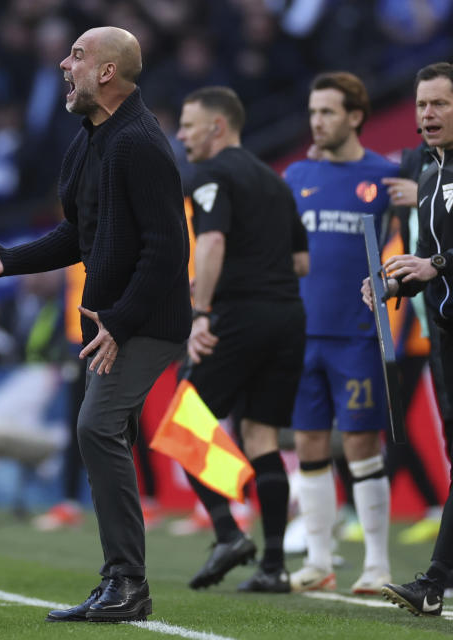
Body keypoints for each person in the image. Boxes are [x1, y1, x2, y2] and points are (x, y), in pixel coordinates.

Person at [0, 26, 191, 623]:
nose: (63, 64)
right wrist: (6, 259)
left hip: (145, 320)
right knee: (108, 433)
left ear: (107, 72)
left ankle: (128, 583)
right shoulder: (88, 142)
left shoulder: (140, 142)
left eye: (77, 56)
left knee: (96, 427)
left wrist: (122, 319)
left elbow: (168, 248)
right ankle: (121, 581)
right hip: (110, 322)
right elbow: (76, 236)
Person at [176, 86, 308, 593]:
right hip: (286, 316)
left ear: (218, 126)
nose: (182, 134)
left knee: (186, 425)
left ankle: (229, 531)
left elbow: (210, 240)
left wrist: (204, 309)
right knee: (260, 437)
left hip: (238, 317)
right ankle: (273, 566)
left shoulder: (213, 174)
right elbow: (301, 260)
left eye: (189, 125)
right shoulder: (275, 183)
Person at [283, 71, 398, 594]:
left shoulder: (385, 176)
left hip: (357, 335)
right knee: (308, 441)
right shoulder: (295, 176)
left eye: (327, 112)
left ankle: (377, 565)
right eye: (312, 112)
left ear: (355, 116)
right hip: (303, 333)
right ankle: (320, 559)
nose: (317, 121)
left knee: (359, 442)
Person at [363, 61, 453, 617]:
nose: (427, 114)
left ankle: (435, 582)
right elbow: (429, 263)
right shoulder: (427, 175)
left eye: (439, 104)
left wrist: (435, 263)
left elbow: (437, 260)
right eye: (421, 105)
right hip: (445, 333)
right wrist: (394, 282)